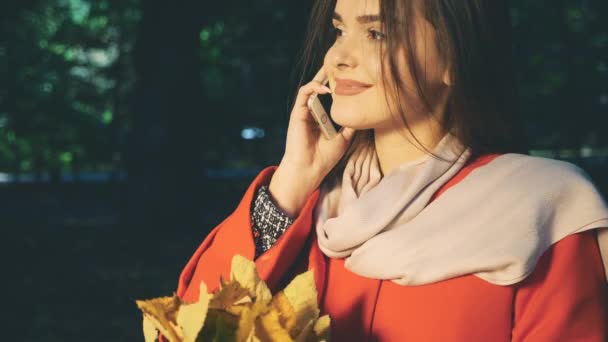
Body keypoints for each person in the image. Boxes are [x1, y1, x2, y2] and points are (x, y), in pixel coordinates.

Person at [170, 0, 608, 340]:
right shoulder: (313, 207)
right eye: (339, 29)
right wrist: (290, 182)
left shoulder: (542, 209)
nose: (340, 56)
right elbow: (186, 328)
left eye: (376, 33)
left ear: (455, 58)